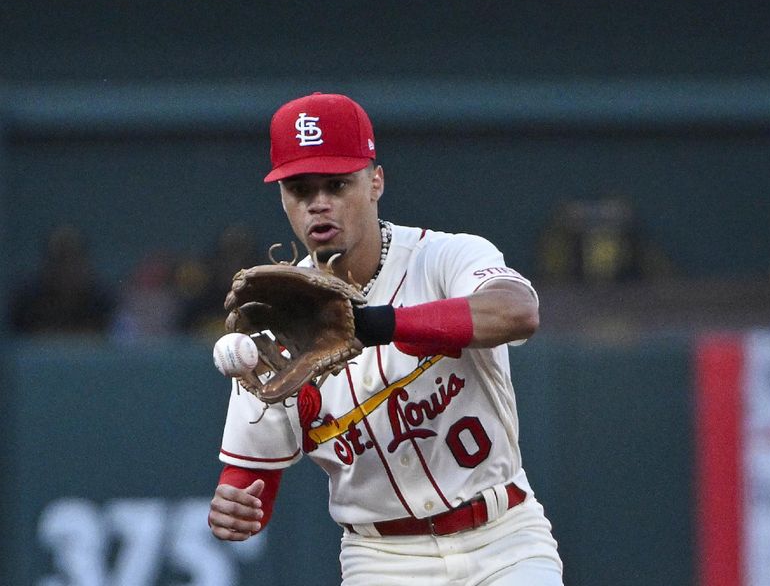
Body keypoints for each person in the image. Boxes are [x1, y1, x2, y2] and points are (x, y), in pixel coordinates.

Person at [207, 92, 563, 586]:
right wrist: (235, 506)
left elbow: (517, 313)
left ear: (375, 181)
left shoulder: (444, 257)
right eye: (300, 189)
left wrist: (379, 324)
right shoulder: (275, 325)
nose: (319, 203)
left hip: (504, 539)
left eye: (337, 184)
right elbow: (252, 482)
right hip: (383, 560)